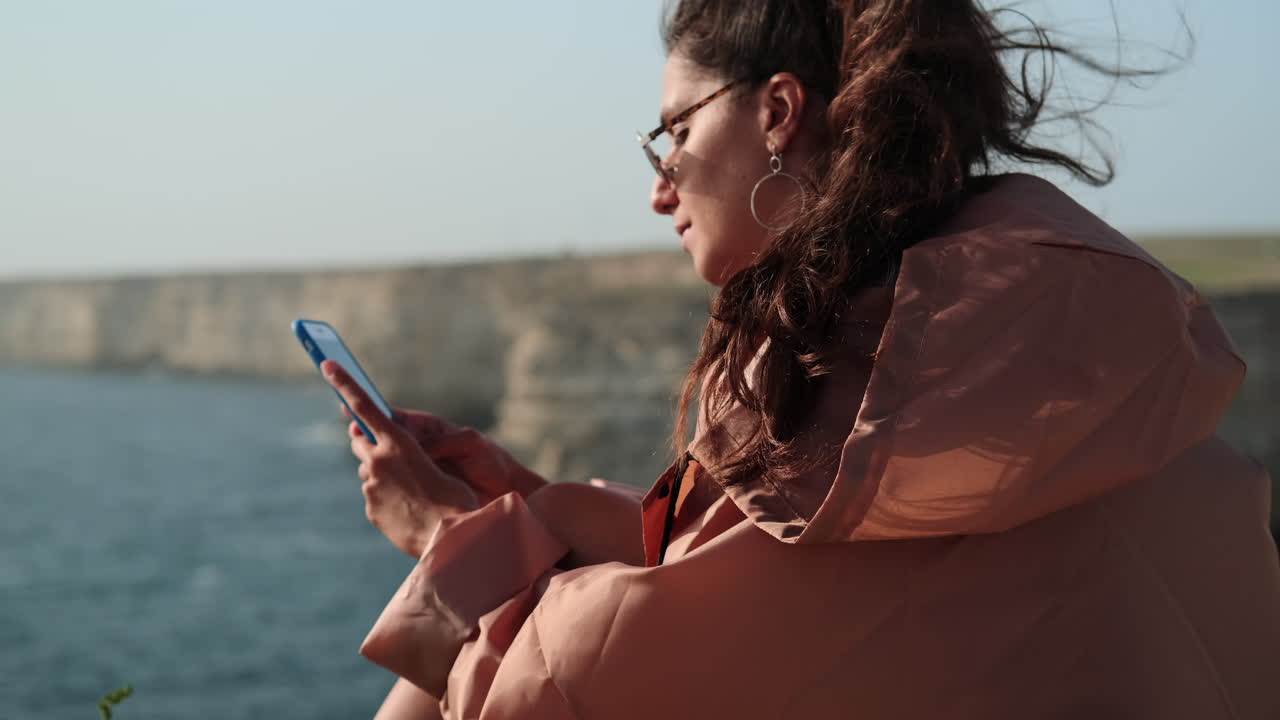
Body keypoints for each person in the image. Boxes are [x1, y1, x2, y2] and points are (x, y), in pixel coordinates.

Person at [323, 1, 1280, 717]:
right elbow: (796, 582)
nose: (659, 189)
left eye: (674, 133)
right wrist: (530, 504)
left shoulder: (863, 377)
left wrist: (445, 539)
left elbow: (592, 683)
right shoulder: (1046, 336)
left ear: (779, 109)